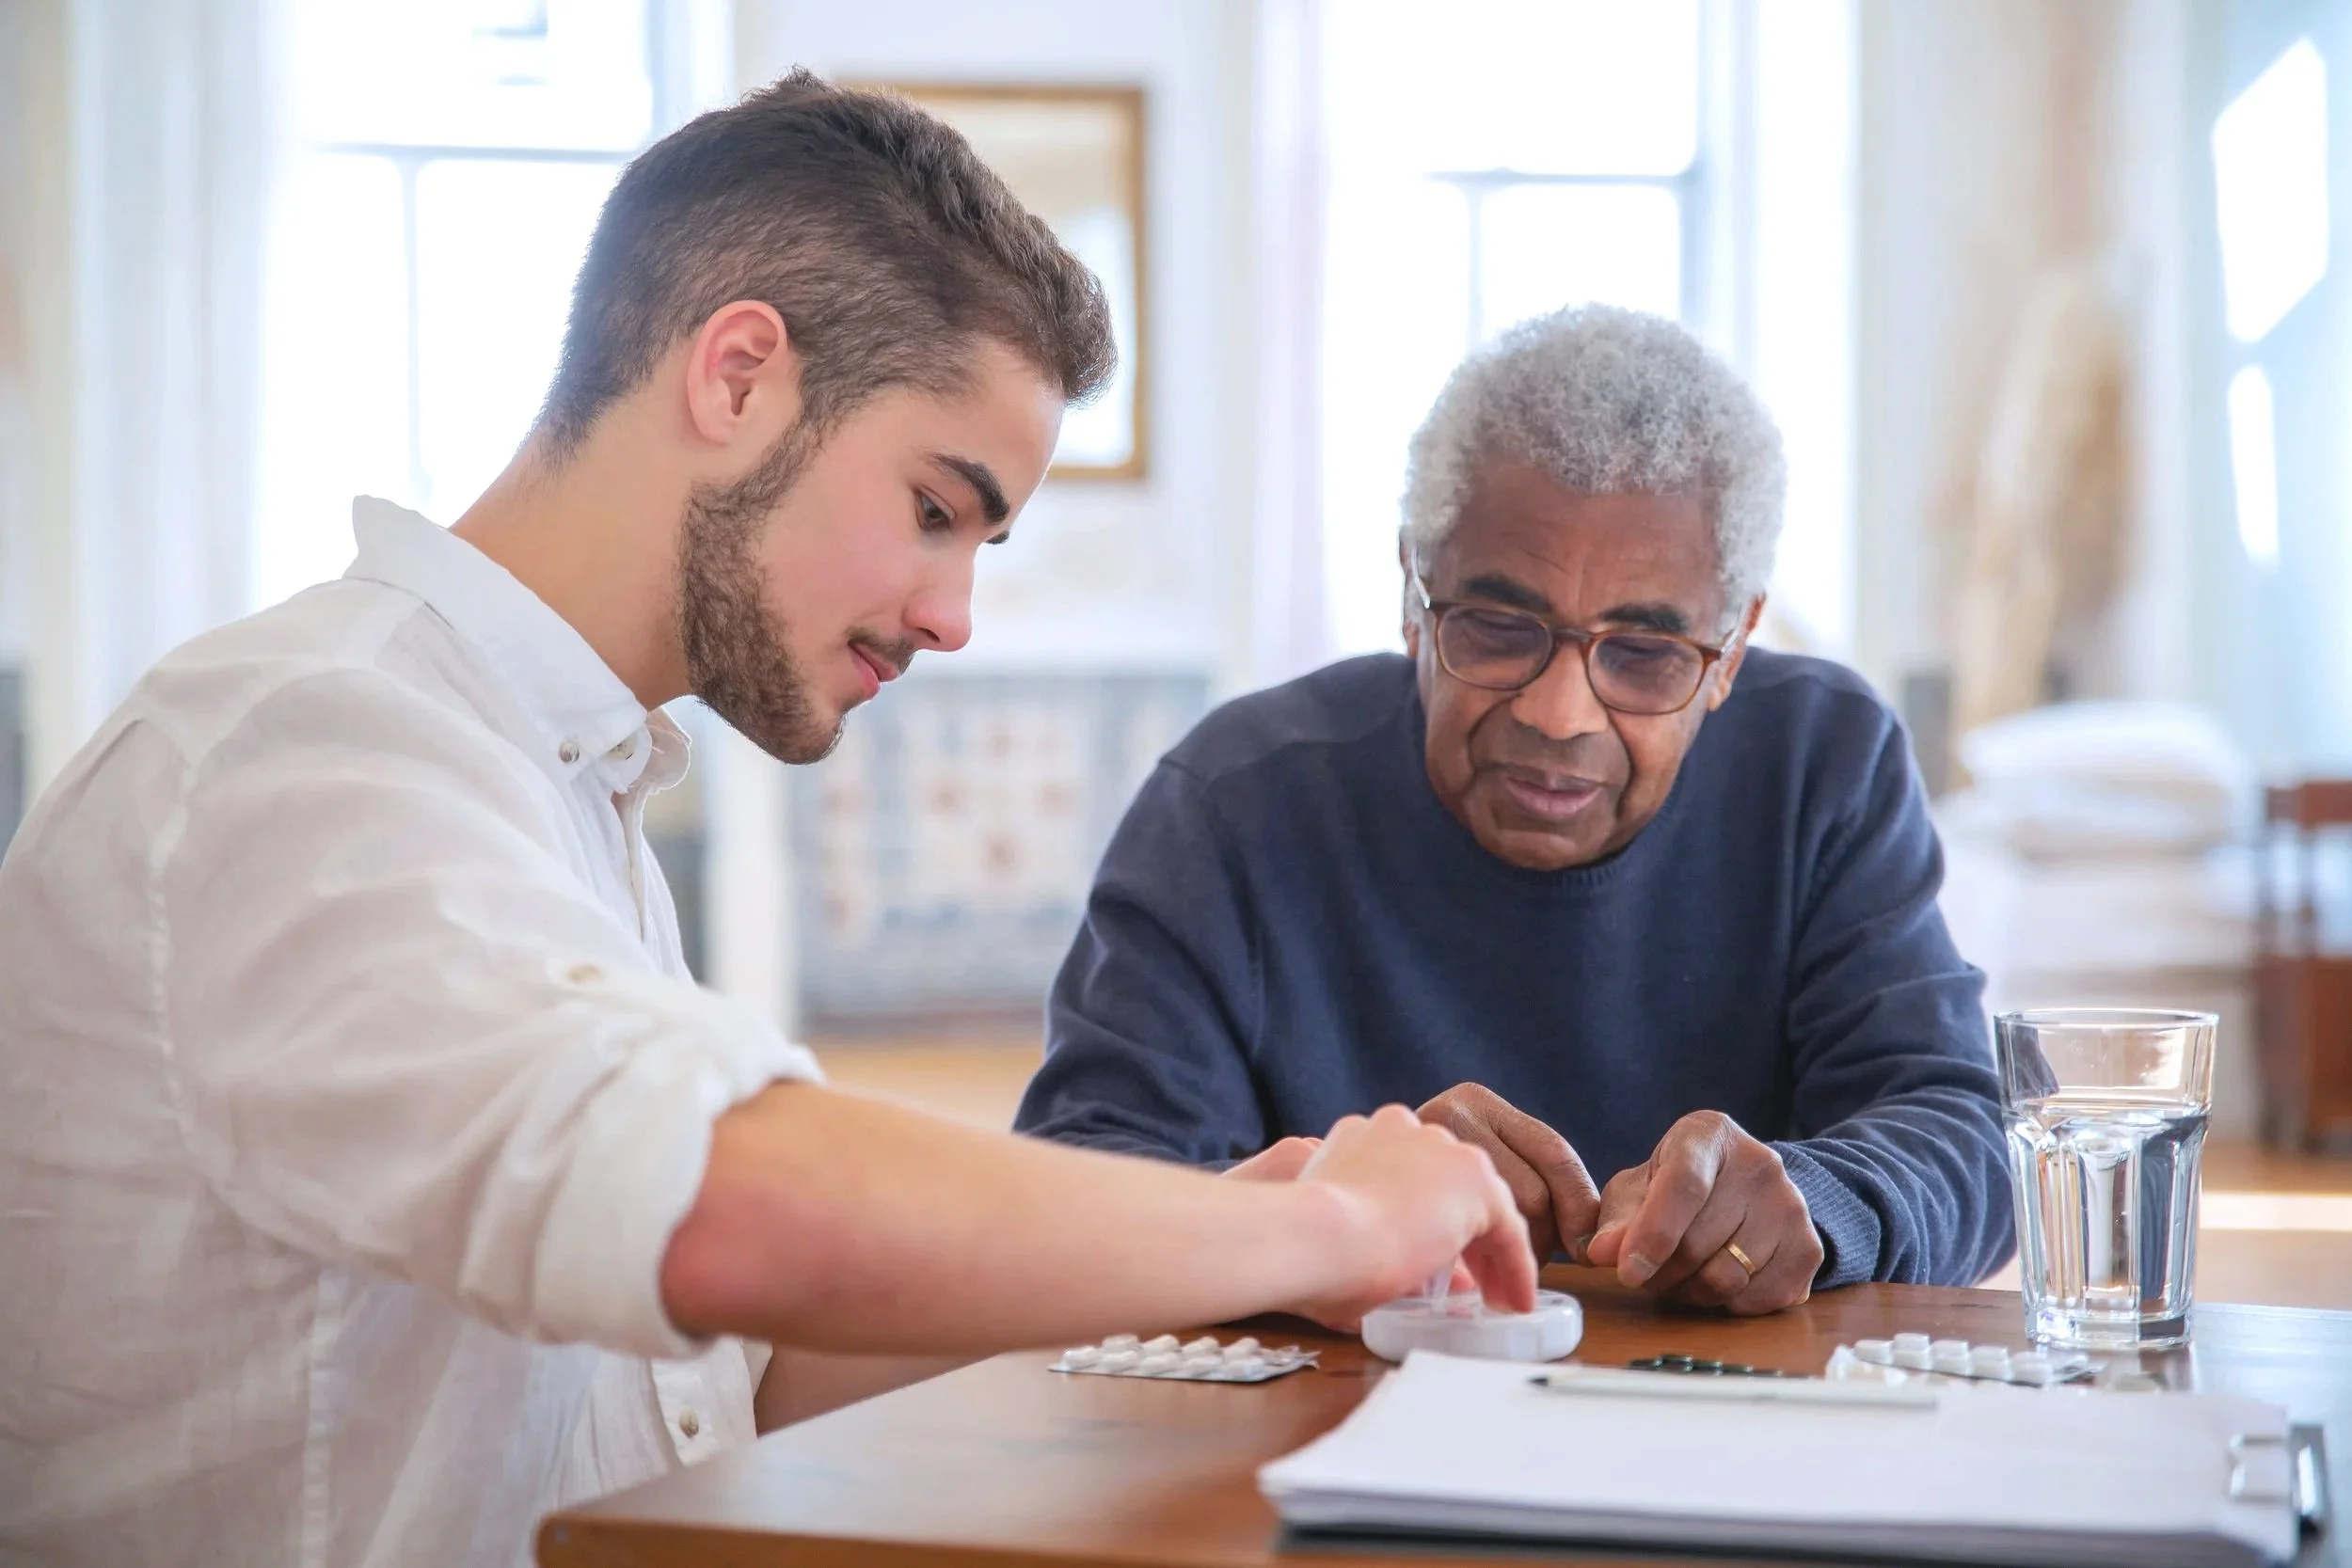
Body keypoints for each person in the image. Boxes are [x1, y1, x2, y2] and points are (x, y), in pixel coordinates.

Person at [0, 72, 1534, 1568]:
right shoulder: (304, 746)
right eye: (939, 509)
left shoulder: (555, 780)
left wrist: (1193, 1230)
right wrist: (1324, 1235)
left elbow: (718, 1383)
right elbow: (719, 1205)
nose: (955, 617)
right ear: (737, 376)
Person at [1017, 304, 2014, 1316]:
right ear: (1412, 592)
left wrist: (1821, 1194)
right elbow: (1082, 1196)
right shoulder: (1236, 802)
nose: (1557, 712)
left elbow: (1962, 1134)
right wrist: (1342, 1204)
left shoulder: (1822, 764)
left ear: (1733, 646)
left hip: (1738, 1425)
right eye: (1497, 627)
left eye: (1644, 654)